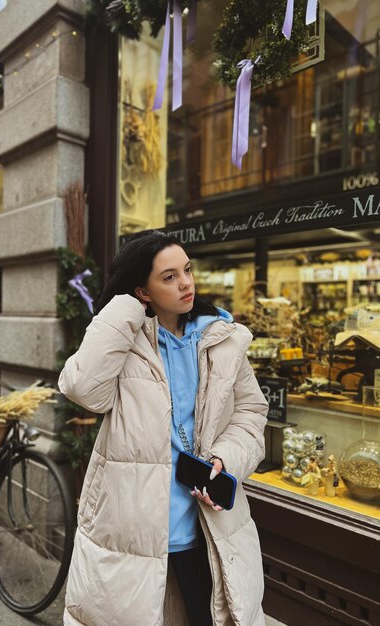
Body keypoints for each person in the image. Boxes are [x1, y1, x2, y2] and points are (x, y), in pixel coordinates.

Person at [58, 230, 269, 626]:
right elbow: (83, 389)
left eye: (187, 270)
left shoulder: (222, 338)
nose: (186, 282)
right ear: (143, 290)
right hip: (132, 529)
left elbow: (251, 412)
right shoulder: (127, 341)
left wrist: (228, 458)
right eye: (168, 277)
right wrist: (123, 308)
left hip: (207, 522)